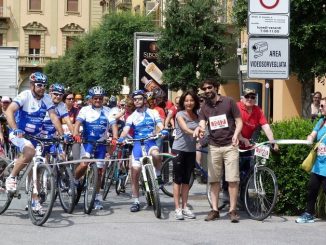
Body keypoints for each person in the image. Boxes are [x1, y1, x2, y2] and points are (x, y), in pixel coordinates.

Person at [4, 72, 64, 215]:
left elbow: (54, 117)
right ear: (32, 85)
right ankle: (11, 177)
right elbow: (9, 111)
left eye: (44, 85)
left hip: (35, 136)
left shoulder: (47, 99)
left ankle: (35, 201)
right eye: (39, 85)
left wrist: (62, 135)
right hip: (19, 133)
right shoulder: (25, 95)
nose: (42, 88)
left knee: (35, 169)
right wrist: (15, 128)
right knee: (29, 151)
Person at [194, 78, 243, 223]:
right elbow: (202, 123)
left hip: (230, 146)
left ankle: (232, 210)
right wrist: (200, 129)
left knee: (233, 179)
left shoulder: (229, 102)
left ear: (216, 87)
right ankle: (215, 210)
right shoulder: (204, 107)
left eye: (210, 87)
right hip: (214, 146)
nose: (208, 91)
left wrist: (236, 135)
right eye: (205, 89)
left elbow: (239, 121)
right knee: (214, 180)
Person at [118, 90, 167, 212]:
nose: (137, 101)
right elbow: (126, 129)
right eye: (135, 99)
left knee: (156, 155)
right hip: (137, 144)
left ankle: (158, 175)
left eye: (140, 99)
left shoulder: (153, 112)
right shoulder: (132, 116)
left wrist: (163, 130)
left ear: (144, 100)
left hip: (150, 141)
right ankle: (136, 201)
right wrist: (121, 137)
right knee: (135, 172)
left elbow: (160, 124)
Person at [73, 86, 118, 210]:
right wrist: (76, 134)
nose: (98, 100)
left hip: (101, 145)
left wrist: (115, 138)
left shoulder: (108, 110)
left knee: (99, 172)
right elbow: (77, 123)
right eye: (95, 98)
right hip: (87, 143)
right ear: (91, 99)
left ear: (103, 99)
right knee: (83, 164)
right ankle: (75, 180)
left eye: (100, 98)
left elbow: (113, 125)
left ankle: (97, 197)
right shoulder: (85, 110)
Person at [296, 98, 326, 223]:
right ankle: (309, 213)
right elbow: (313, 134)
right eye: (320, 105)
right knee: (312, 188)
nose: (320, 108)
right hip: (318, 163)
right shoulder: (320, 121)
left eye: (323, 105)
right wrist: (309, 138)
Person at [237, 88, 278, 178]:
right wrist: (242, 138)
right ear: (242, 98)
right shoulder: (237, 107)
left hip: (246, 146)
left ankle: (244, 191)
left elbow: (266, 127)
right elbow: (233, 126)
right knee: (233, 175)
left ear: (255, 99)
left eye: (252, 97)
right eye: (247, 96)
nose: (250, 99)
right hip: (233, 144)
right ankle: (225, 190)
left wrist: (273, 142)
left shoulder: (257, 110)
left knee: (246, 174)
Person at [172, 90, 200, 220]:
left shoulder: (198, 115)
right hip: (179, 150)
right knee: (177, 180)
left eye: (191, 100)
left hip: (191, 151)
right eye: (186, 100)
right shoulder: (179, 114)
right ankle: (177, 208)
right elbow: (184, 129)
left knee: (186, 180)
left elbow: (203, 127)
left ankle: (185, 207)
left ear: (195, 102)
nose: (189, 103)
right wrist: (195, 133)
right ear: (183, 102)